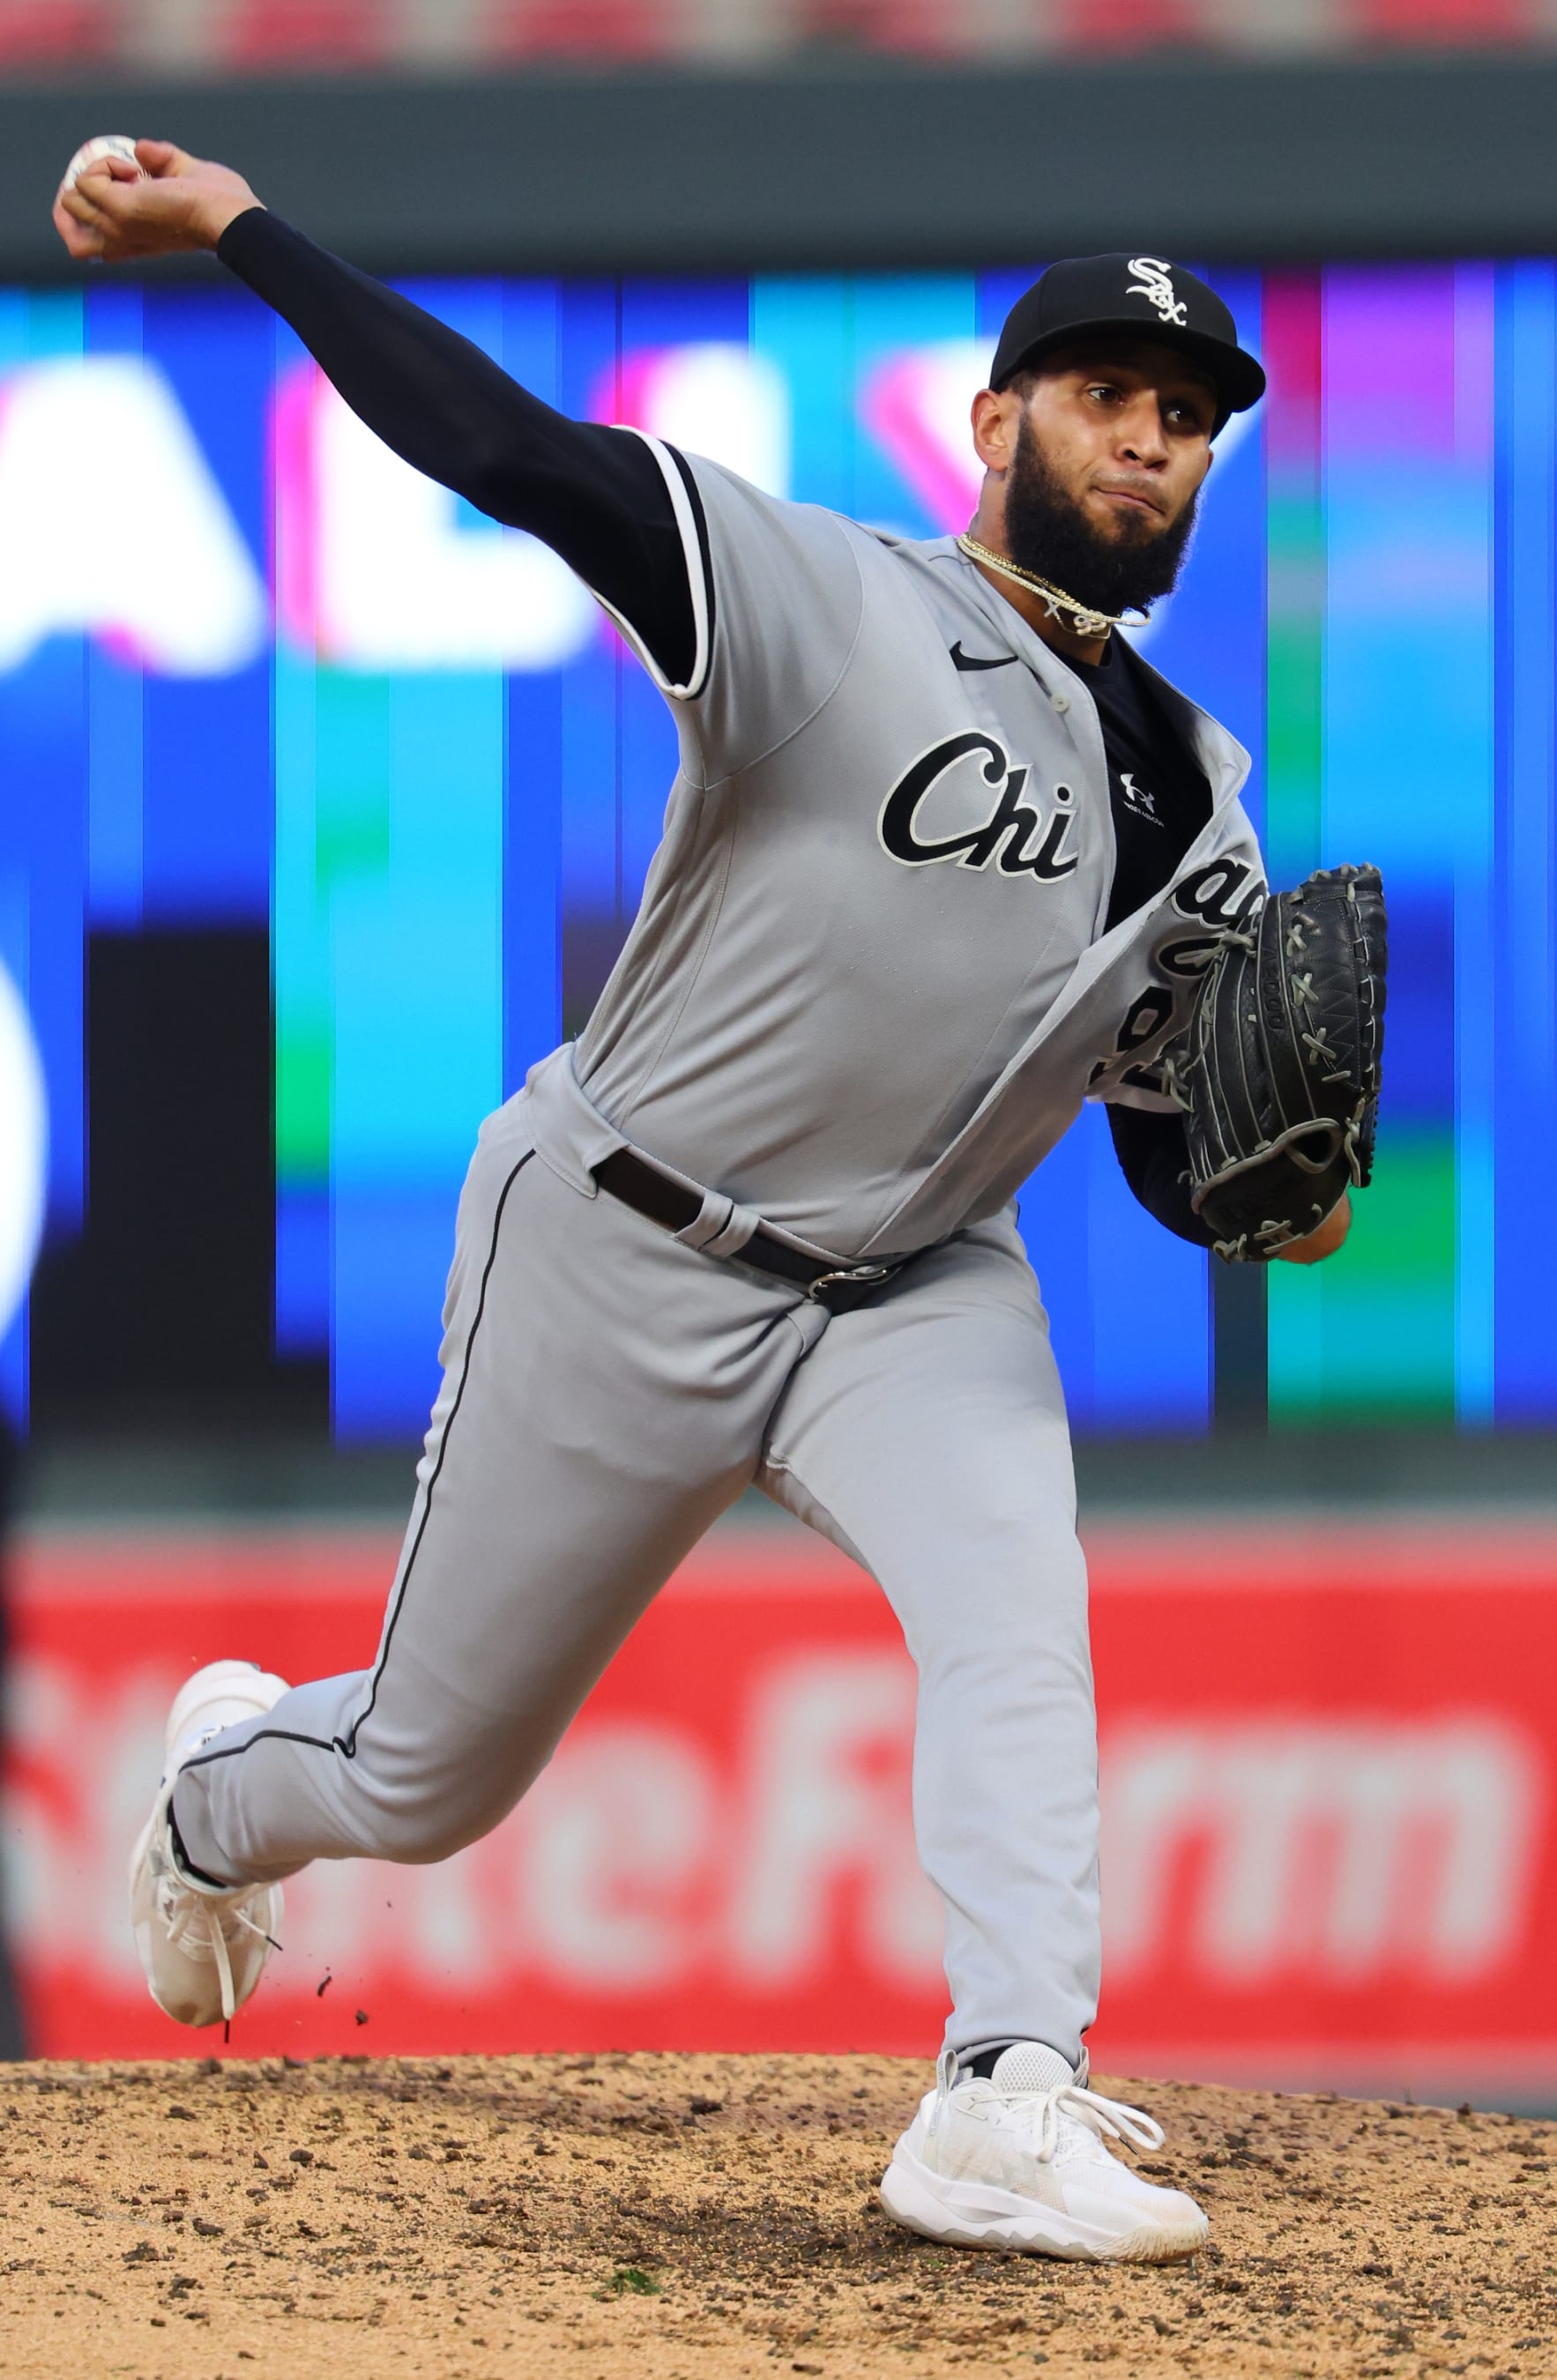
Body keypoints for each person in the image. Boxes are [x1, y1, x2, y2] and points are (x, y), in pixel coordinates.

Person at [56, 145, 1347, 2265]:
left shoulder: (1200, 795)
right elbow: (508, 449)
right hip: (625, 1236)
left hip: (912, 1287)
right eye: (1105, 385)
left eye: (1185, 407)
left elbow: (1162, 1130)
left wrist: (1267, 1203)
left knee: (1017, 1615)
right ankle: (218, 1791)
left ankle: (1003, 2088)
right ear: (994, 421)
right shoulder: (826, 597)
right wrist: (237, 230)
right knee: (421, 1779)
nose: (1148, 429)